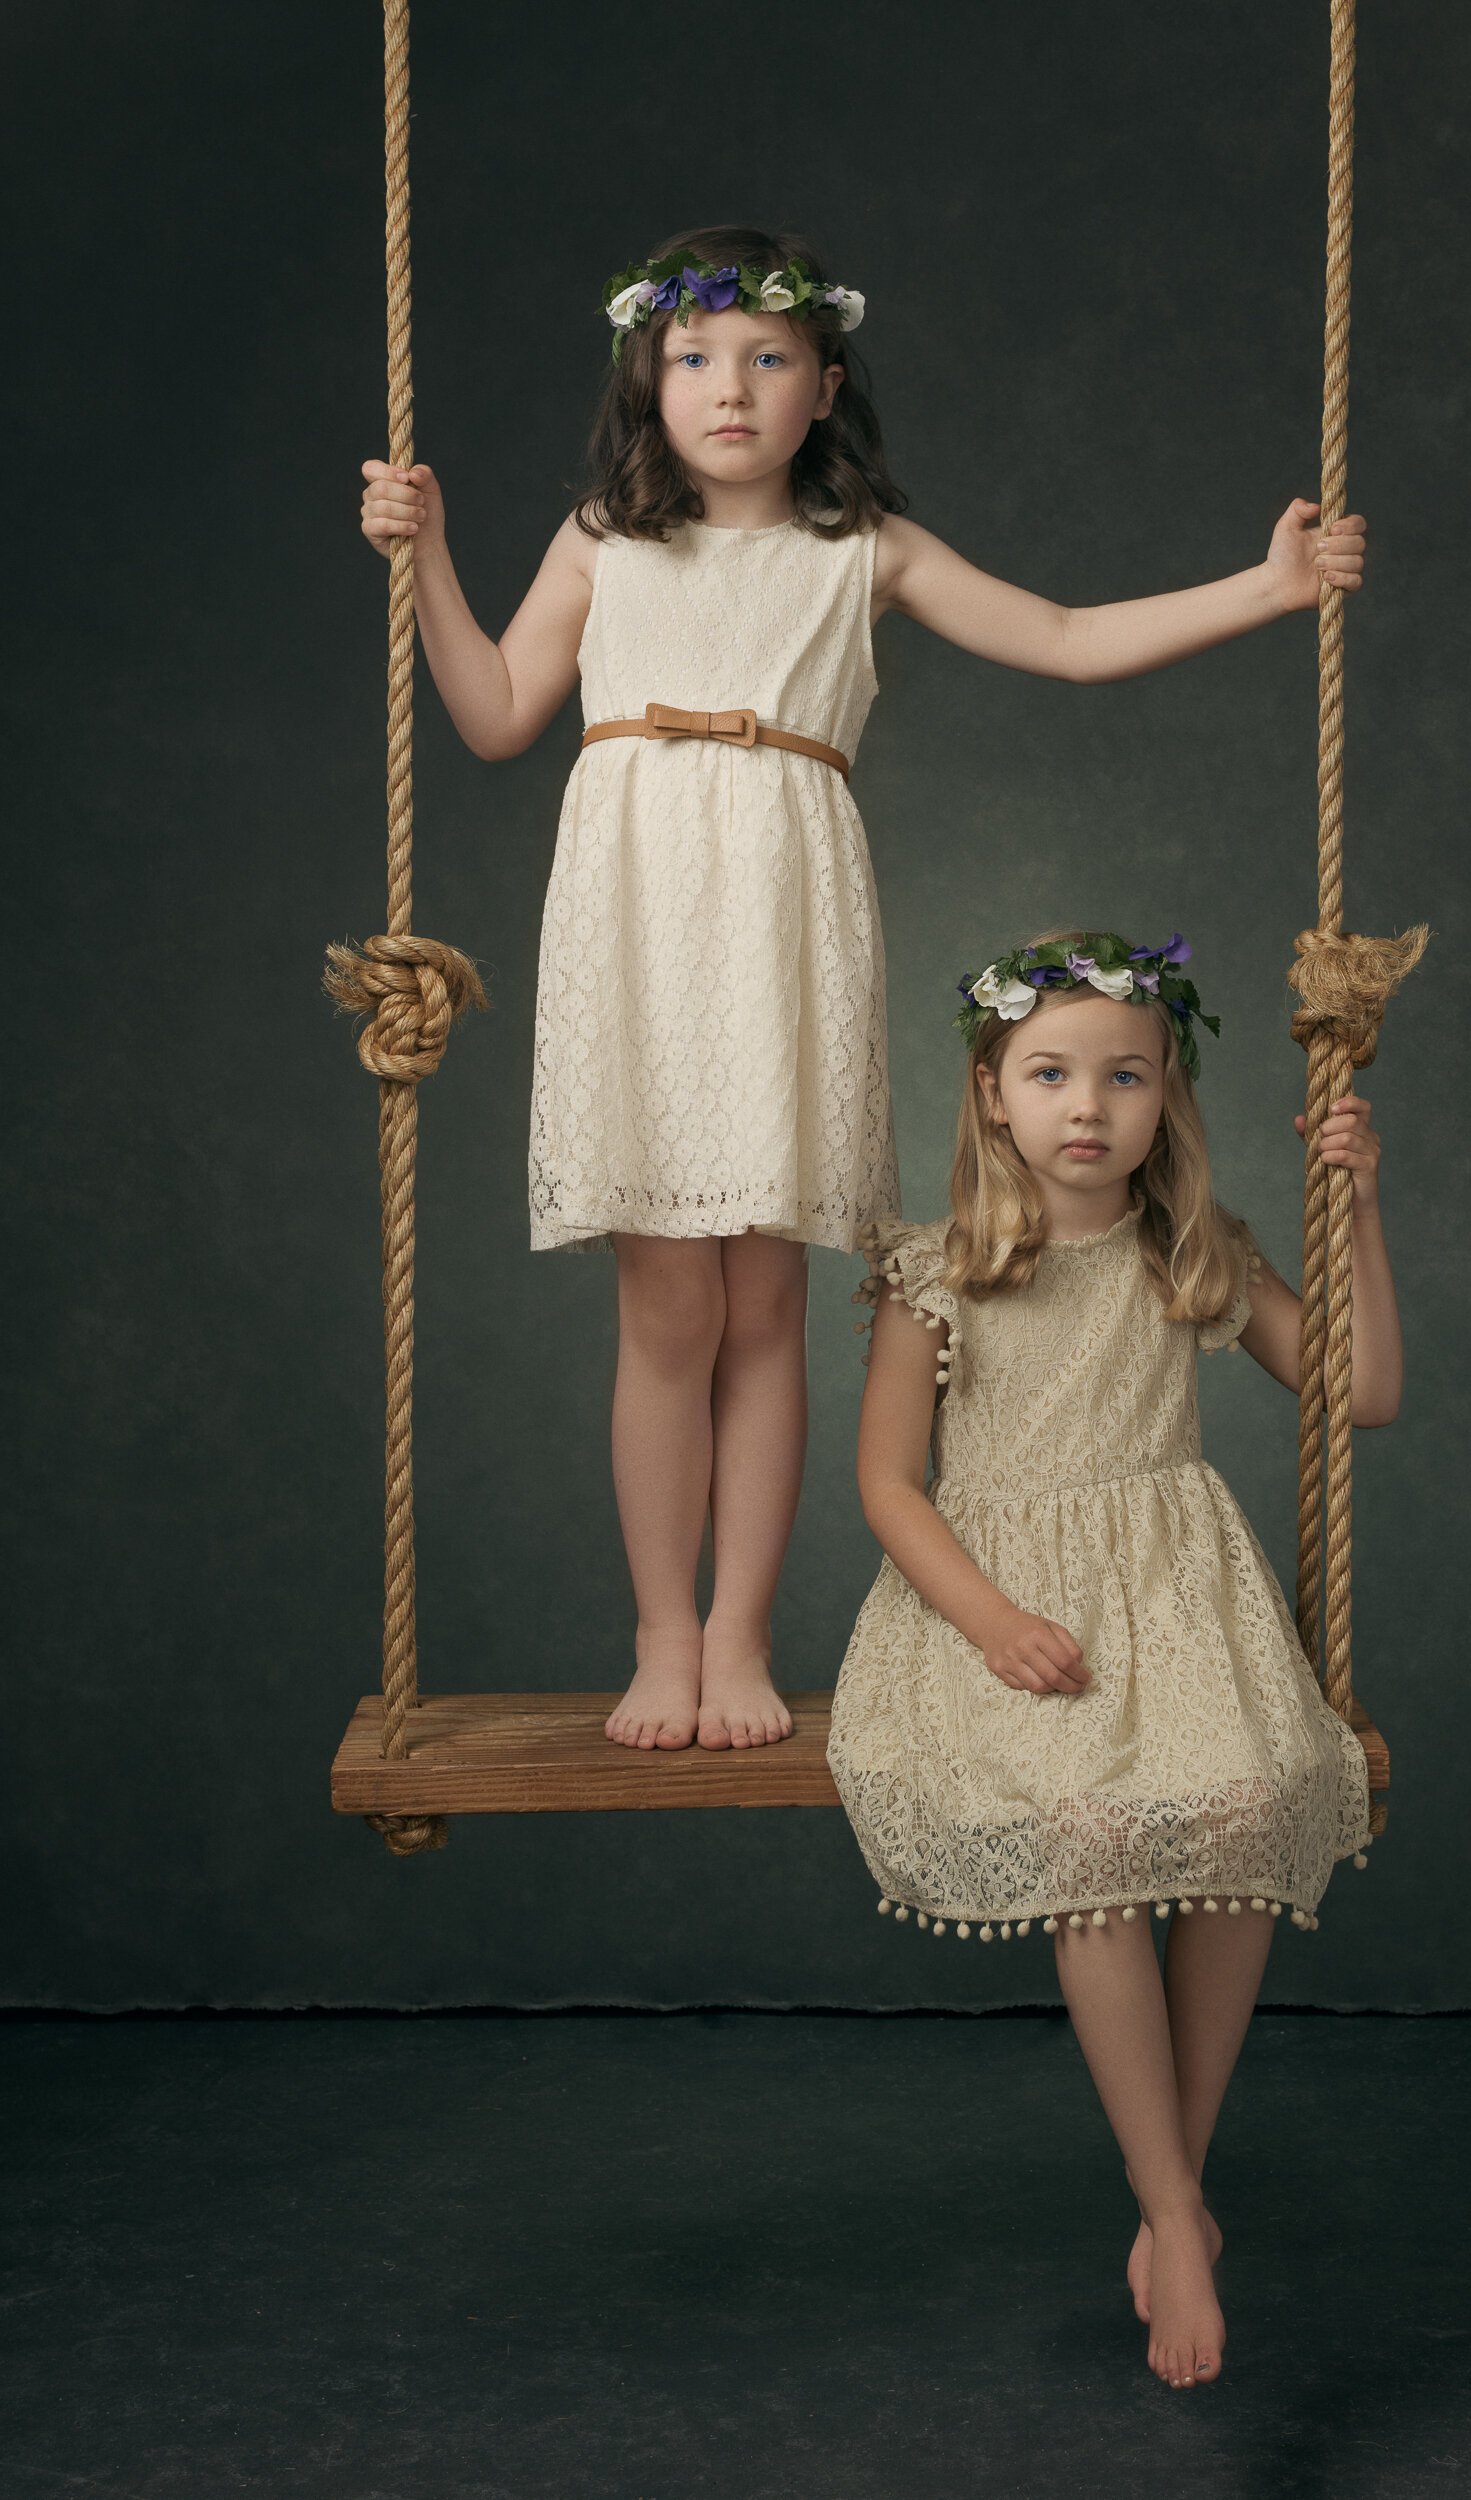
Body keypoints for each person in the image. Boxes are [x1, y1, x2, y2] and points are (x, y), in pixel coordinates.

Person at [356, 226, 1368, 1756]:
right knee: (664, 1300)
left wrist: (1267, 586)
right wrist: (423, 554)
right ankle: (661, 1635)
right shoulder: (596, 540)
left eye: (768, 360)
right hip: (632, 913)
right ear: (650, 380)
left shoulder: (863, 549)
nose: (731, 390)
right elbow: (496, 710)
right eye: (694, 360)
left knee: (764, 1297)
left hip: (781, 909)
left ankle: (743, 1634)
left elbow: (1071, 639)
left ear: (824, 385)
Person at [828, 930, 1402, 2387]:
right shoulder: (940, 1270)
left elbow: (1367, 1392)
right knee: (1091, 1830)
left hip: (1176, 1605)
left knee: (1254, 1798)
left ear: (1164, 1101)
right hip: (999, 1608)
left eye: (1123, 1077)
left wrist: (1357, 1211)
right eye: (1050, 1073)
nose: (1086, 1107)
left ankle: (1176, 2183)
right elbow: (889, 1484)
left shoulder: (1185, 1252)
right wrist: (993, 1620)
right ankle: (1166, 2200)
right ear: (991, 1090)